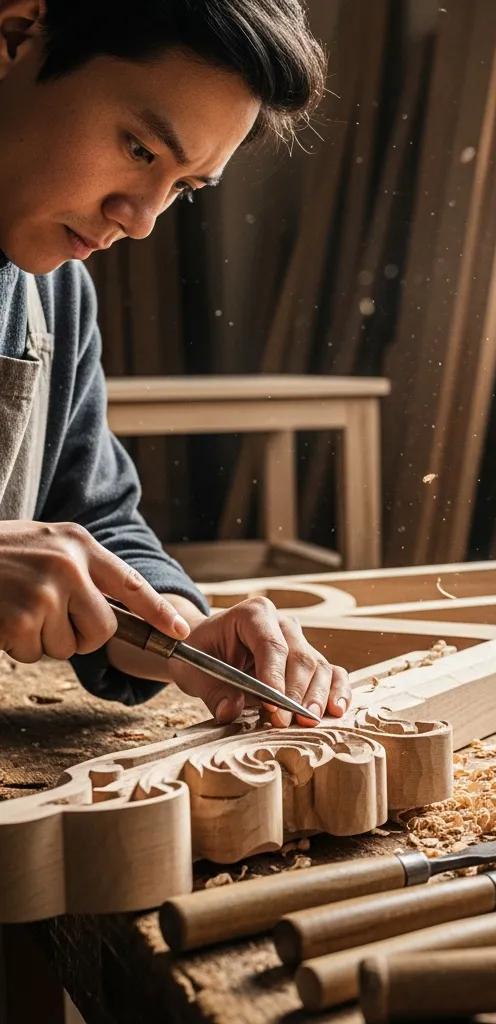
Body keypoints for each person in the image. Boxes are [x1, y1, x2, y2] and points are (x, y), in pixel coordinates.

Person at [0, 0, 351, 726]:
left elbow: (94, 518)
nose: (141, 218)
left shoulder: (54, 298)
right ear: (17, 33)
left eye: (184, 187)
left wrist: (186, 635)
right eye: (139, 150)